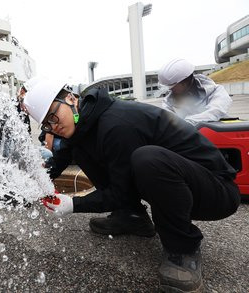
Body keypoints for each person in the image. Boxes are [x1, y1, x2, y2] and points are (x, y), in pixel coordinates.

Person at [24, 79, 240, 293]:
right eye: (46, 124)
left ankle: (182, 249)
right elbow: (60, 159)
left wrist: (74, 204)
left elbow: (122, 191)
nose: (54, 126)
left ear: (70, 98)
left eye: (54, 115)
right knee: (82, 150)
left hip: (215, 190)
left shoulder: (116, 124)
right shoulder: (82, 124)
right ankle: (131, 217)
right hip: (179, 184)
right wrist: (31, 185)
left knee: (147, 159)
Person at [158, 59, 232, 124]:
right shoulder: (168, 102)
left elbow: (216, 112)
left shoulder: (216, 91)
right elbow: (170, 124)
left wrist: (187, 123)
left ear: (184, 83)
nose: (170, 90)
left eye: (172, 86)